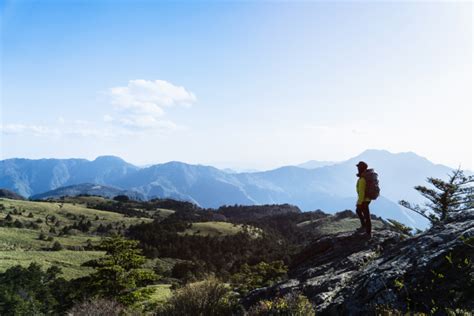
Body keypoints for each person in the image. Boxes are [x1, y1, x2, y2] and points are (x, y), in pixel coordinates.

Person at [355, 161, 372, 238]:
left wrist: (359, 202)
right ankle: (364, 227)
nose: (357, 168)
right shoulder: (364, 177)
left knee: (366, 215)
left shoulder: (362, 179)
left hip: (364, 200)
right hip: (366, 199)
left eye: (358, 167)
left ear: (360, 168)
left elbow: (362, 192)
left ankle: (368, 232)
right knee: (360, 211)